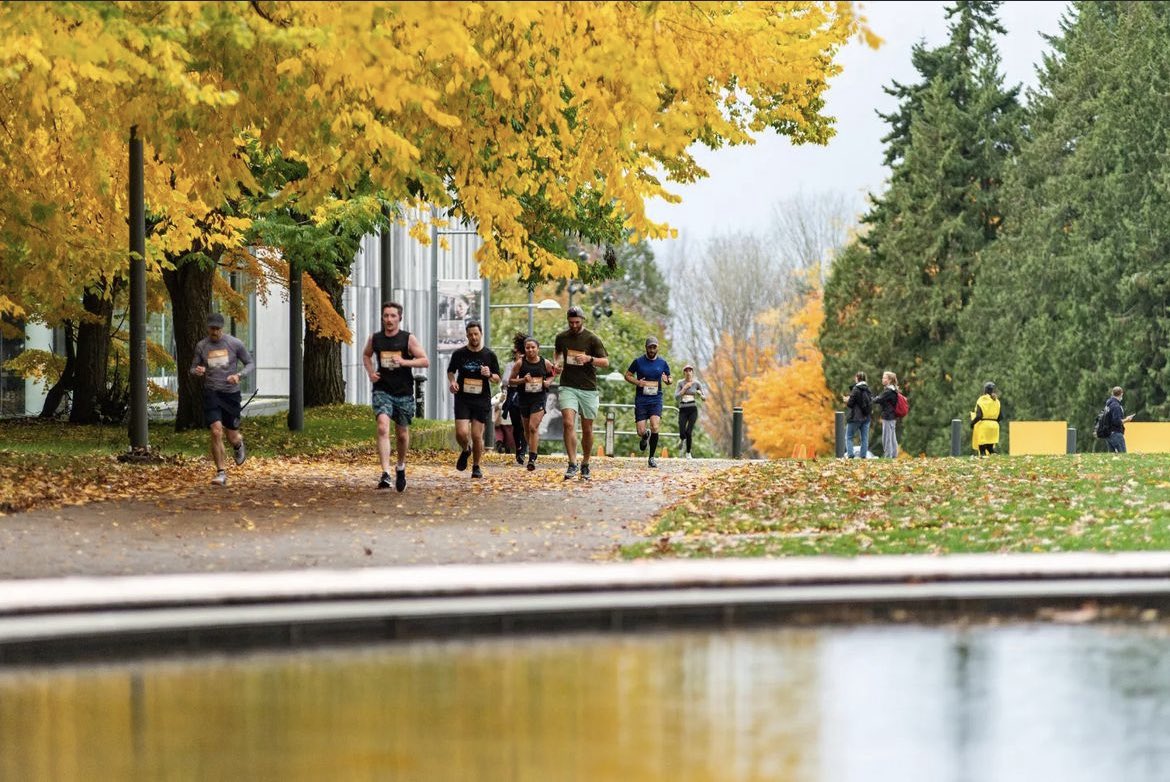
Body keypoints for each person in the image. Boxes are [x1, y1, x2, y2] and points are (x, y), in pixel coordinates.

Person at [362, 301, 430, 491]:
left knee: (401, 434)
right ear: (382, 318)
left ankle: (400, 466)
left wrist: (404, 362)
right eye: (386, 316)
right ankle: (385, 473)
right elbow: (366, 355)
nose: (389, 319)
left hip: (403, 392)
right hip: (382, 390)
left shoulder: (408, 339)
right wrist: (370, 372)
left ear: (400, 318)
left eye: (393, 316)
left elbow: (425, 361)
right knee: (383, 427)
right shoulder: (375, 339)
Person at [190, 312, 255, 486]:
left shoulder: (234, 343)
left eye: (218, 329)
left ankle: (238, 444)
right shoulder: (202, 346)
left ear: (222, 328)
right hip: (212, 393)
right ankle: (221, 472)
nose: (215, 332)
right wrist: (198, 371)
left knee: (232, 435)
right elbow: (193, 368)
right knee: (216, 430)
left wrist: (239, 376)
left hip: (231, 394)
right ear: (208, 328)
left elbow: (250, 363)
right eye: (212, 328)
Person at [553, 305, 609, 481]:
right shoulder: (561, 337)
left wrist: (589, 359)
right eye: (571, 322)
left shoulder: (592, 339)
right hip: (568, 385)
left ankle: (585, 462)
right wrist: (557, 363)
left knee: (587, 428)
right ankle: (572, 463)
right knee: (568, 423)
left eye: (577, 322)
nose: (574, 325)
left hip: (588, 387)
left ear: (583, 320)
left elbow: (606, 362)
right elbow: (557, 353)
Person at [447, 321, 500, 479]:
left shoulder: (489, 355)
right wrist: (453, 382)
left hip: (481, 399)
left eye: (476, 334)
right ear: (467, 335)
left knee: (477, 436)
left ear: (481, 334)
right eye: (470, 334)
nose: (473, 337)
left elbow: (497, 379)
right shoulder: (459, 354)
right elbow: (451, 371)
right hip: (463, 397)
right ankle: (465, 449)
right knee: (461, 433)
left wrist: (489, 374)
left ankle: (476, 466)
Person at [509, 336, 557, 471]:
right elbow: (511, 381)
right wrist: (523, 380)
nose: (530, 350)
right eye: (527, 348)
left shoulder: (545, 362)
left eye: (533, 347)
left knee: (533, 427)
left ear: (538, 349)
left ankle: (532, 458)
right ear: (525, 349)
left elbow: (553, 373)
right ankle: (532, 448)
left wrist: (549, 382)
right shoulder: (520, 363)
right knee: (527, 430)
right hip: (524, 399)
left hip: (539, 399)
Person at [625, 337, 672, 468]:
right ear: (646, 347)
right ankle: (645, 436)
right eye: (650, 347)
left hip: (656, 398)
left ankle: (651, 457)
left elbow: (669, 378)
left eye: (654, 347)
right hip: (641, 399)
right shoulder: (638, 362)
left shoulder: (662, 363)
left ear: (658, 348)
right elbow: (627, 375)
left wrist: (667, 380)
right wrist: (638, 382)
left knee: (655, 426)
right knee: (640, 431)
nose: (652, 349)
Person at [502, 332, 528, 464]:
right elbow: (506, 381)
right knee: (516, 425)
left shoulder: (531, 365)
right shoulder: (510, 366)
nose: (521, 357)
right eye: (519, 354)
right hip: (513, 397)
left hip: (527, 396)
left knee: (526, 425)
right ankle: (518, 448)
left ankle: (524, 449)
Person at [674, 364, 705, 459]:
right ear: (684, 373)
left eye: (690, 371)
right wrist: (685, 388)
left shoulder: (697, 383)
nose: (688, 372)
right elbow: (676, 397)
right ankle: (682, 439)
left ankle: (688, 452)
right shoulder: (680, 383)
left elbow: (704, 398)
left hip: (692, 409)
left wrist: (700, 394)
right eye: (686, 371)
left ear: (692, 372)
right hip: (683, 408)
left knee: (689, 432)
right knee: (682, 429)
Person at [842, 371, 872, 459]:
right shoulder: (868, 389)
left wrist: (847, 400)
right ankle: (863, 456)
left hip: (856, 417)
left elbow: (850, 404)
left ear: (857, 378)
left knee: (849, 436)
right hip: (866, 417)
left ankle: (850, 455)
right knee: (864, 438)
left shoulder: (856, 389)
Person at [871, 371, 900, 459]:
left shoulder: (889, 391)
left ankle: (888, 457)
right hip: (892, 417)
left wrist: (868, 398)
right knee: (892, 437)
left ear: (890, 380)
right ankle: (894, 455)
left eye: (884, 378)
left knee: (886, 438)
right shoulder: (893, 390)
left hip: (888, 417)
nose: (882, 379)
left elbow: (878, 399)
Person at [970, 381, 1002, 456]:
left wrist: (972, 423)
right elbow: (1000, 417)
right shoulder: (997, 401)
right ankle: (996, 458)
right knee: (990, 448)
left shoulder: (982, 400)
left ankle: (983, 461)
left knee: (982, 449)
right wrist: (992, 422)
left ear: (985, 390)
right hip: (995, 426)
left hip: (984, 426)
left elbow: (979, 416)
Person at [1104, 386, 1134, 453]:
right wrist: (1127, 419)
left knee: (1112, 456)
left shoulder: (1108, 404)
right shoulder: (1116, 406)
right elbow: (1116, 422)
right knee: (1123, 455)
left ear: (1112, 393)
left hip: (1108, 433)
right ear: (1121, 394)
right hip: (1116, 433)